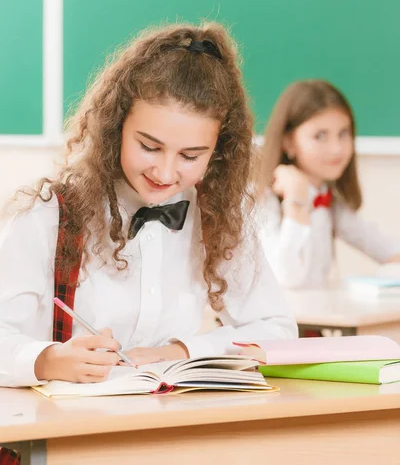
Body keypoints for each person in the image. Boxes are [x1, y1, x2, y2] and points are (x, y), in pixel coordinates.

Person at [0, 22, 297, 389]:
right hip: (67, 432)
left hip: (168, 424)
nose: (165, 171)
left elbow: (278, 328)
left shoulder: (215, 215)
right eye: (149, 147)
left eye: (190, 155)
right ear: (116, 126)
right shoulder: (48, 215)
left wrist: (180, 351)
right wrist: (47, 360)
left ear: (217, 151)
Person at [255, 79, 400, 289]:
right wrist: (297, 200)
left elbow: (385, 248)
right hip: (275, 320)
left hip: (314, 318)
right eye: (320, 136)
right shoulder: (262, 198)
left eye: (343, 133)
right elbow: (286, 277)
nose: (336, 148)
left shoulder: (329, 200)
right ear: (288, 142)